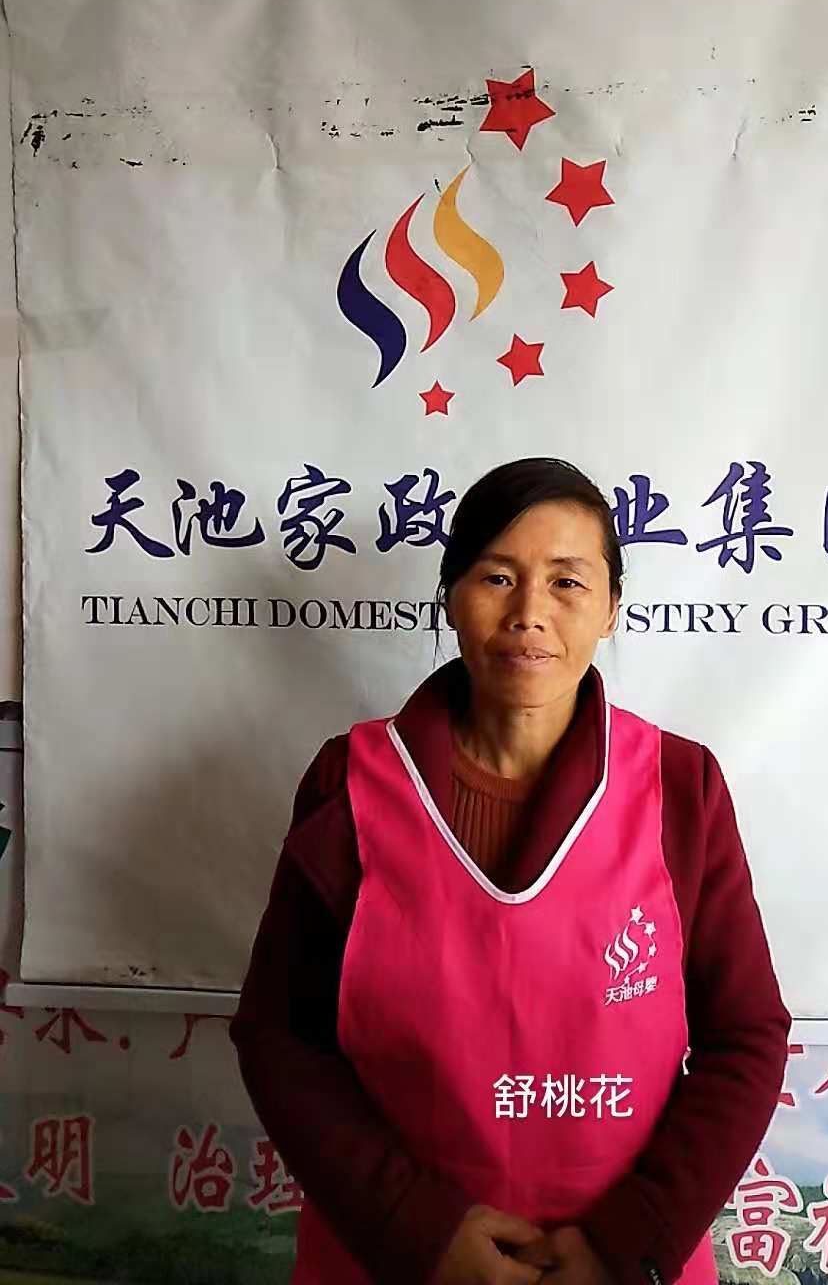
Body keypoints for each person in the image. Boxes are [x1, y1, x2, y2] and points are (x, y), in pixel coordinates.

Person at [230, 457, 791, 1285]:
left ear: (611, 609)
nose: (530, 613)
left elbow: (746, 1037)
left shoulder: (681, 788)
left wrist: (626, 1241)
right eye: (497, 577)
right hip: (393, 1259)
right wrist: (418, 1230)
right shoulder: (351, 783)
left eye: (567, 582)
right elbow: (280, 1036)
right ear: (450, 596)